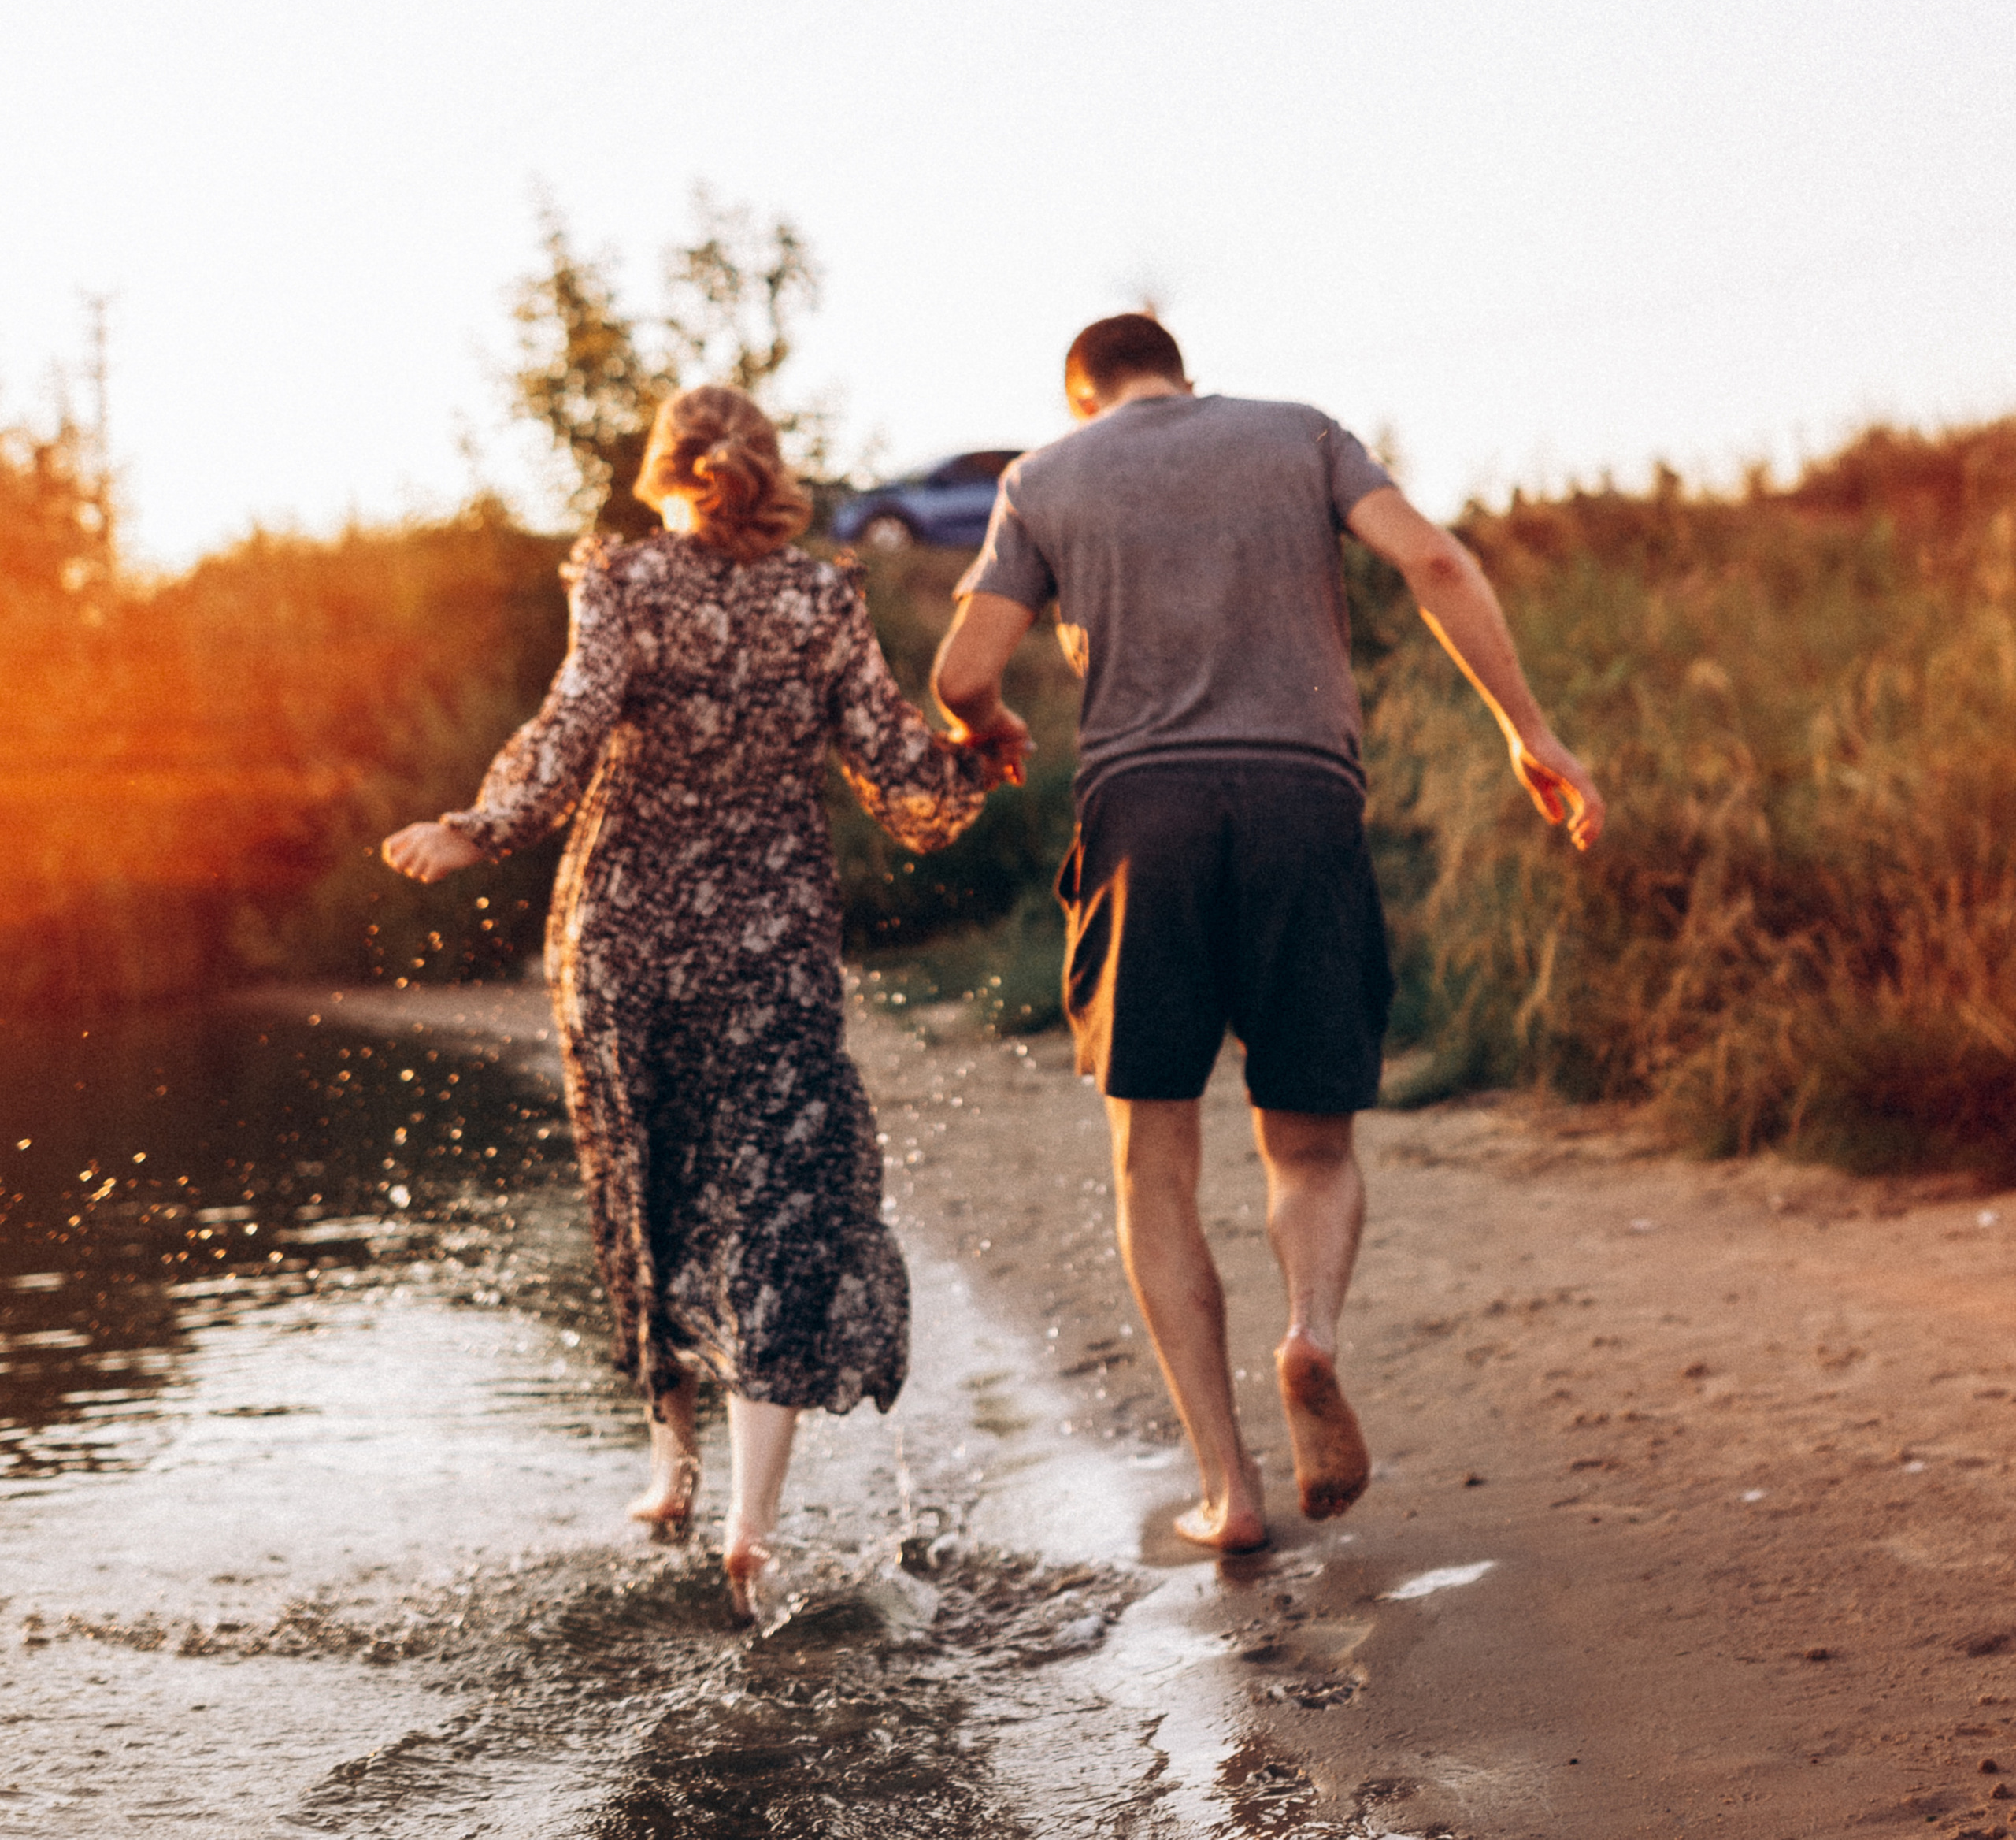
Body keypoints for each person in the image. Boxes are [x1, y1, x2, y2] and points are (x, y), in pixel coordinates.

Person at [931, 314, 1601, 1557]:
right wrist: (1528, 730)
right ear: (1180, 372)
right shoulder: (1304, 435)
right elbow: (1439, 565)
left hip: (1144, 822)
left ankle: (1228, 1491)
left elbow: (965, 670)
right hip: (1305, 804)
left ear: (1085, 394)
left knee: (1153, 1161)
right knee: (1307, 1143)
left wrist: (991, 730)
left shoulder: (1048, 476)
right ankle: (1312, 1335)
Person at [384, 384, 1015, 1613]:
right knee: (780, 1203)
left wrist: (480, 827)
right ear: (767, 471)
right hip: (770, 943)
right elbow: (904, 778)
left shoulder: (624, 580)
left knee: (646, 1180)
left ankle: (667, 1469)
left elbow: (570, 725)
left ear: (662, 472)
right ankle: (750, 1525)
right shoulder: (823, 596)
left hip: (625, 935)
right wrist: (979, 756)